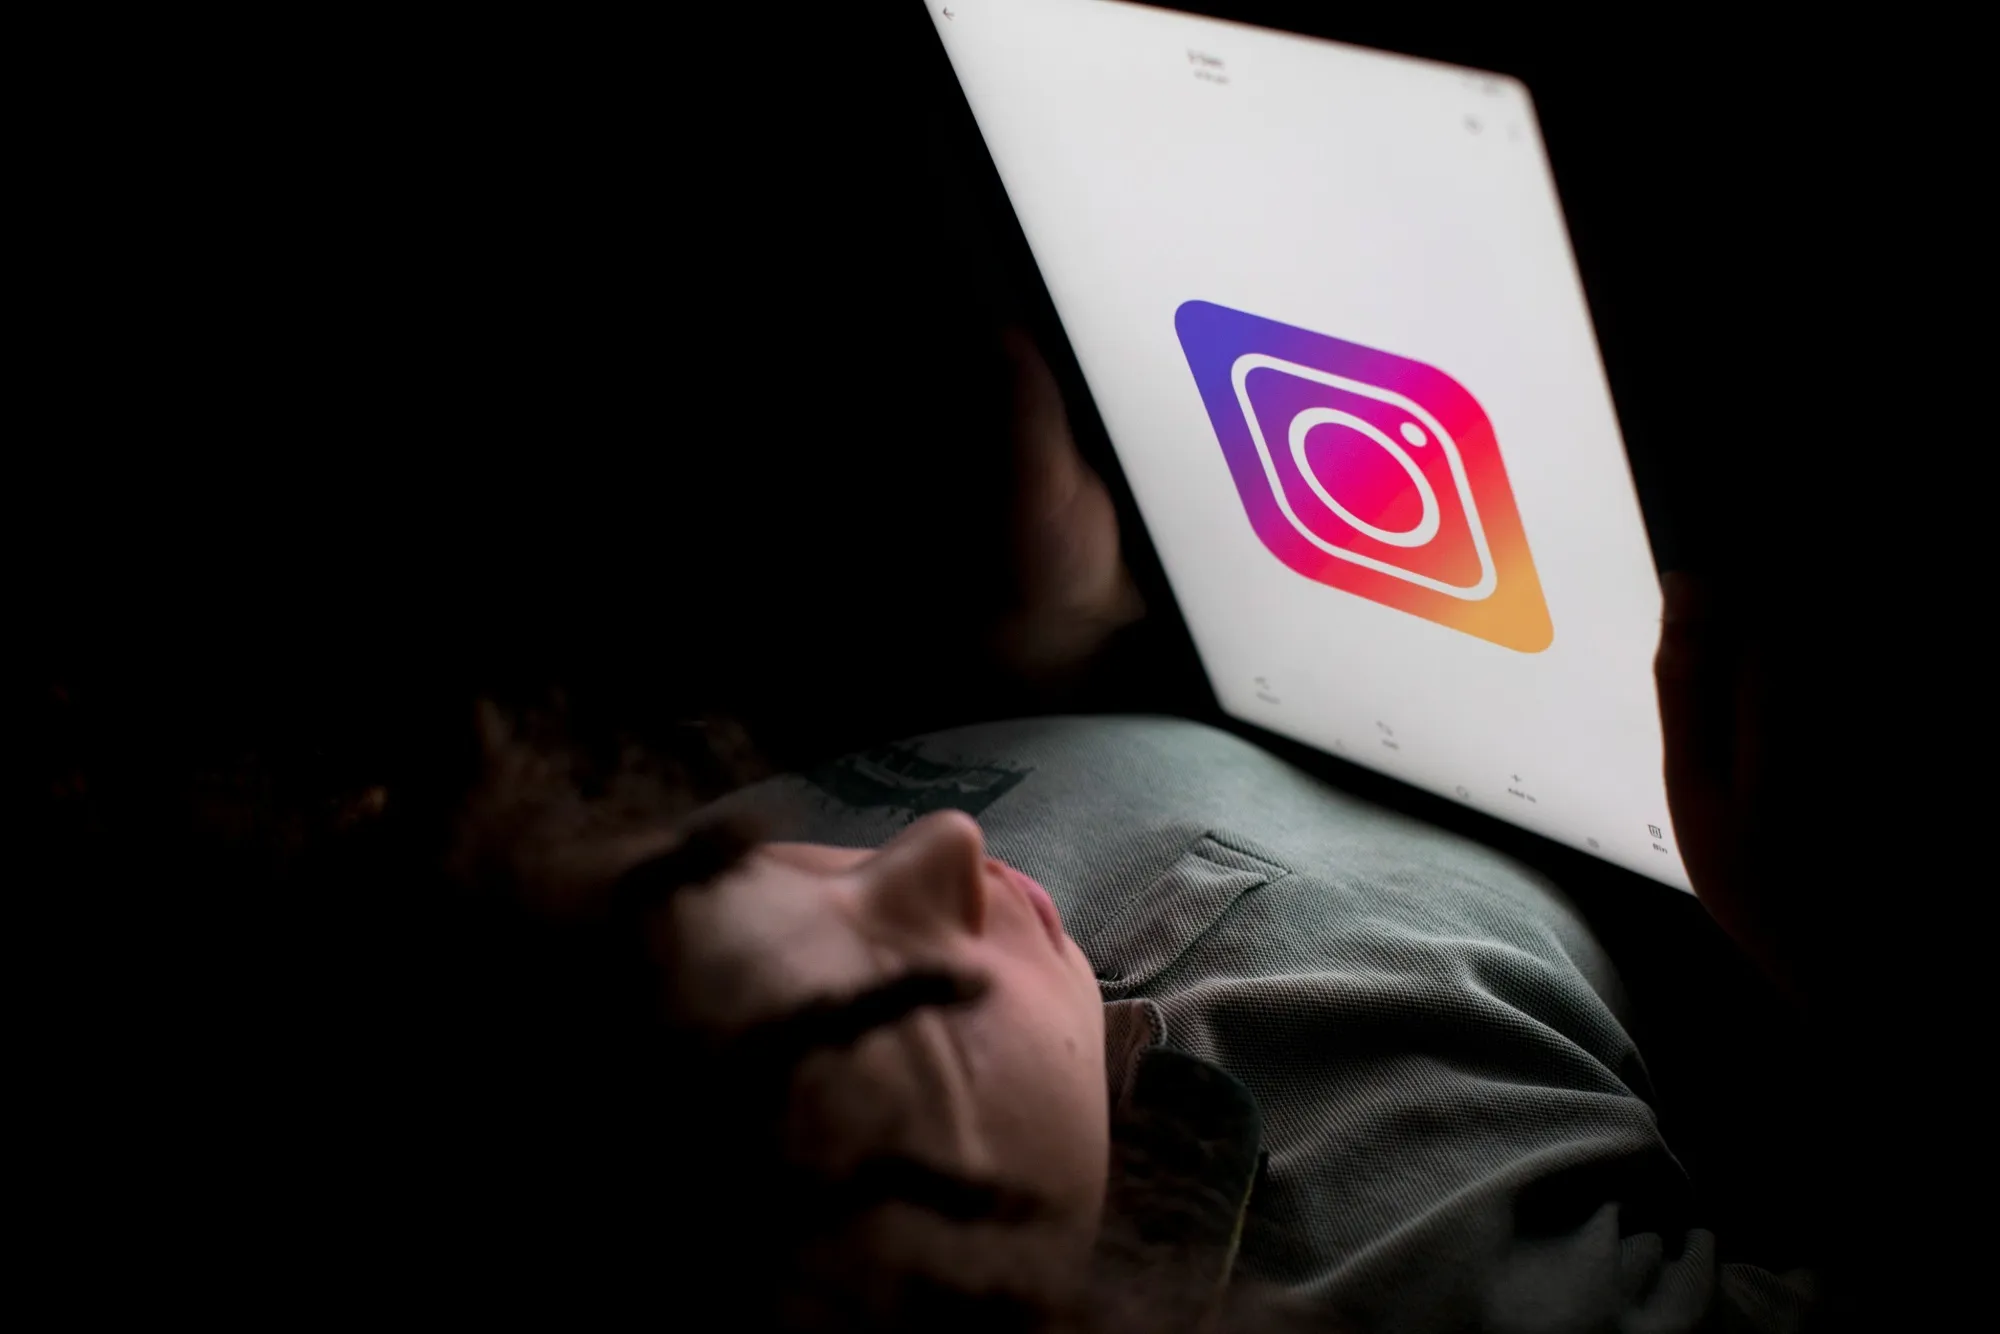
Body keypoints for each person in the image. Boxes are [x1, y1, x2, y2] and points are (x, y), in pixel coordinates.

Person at [296, 333, 1826, 1333]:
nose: (935, 853)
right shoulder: (1438, 1288)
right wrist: (1820, 968)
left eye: (768, 862)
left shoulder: (611, 991)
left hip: (1267, 655)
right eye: (925, 1023)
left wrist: (1048, 642)